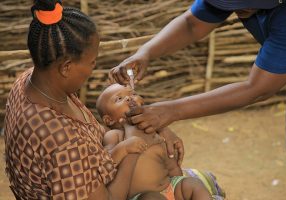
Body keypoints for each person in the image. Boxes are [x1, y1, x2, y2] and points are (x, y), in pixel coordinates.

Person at [109, 0, 286, 198]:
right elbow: (192, 24)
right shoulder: (113, 138)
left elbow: (257, 89)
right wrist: (146, 52)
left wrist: (171, 111)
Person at [4, 1, 183, 199]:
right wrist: (131, 153)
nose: (93, 69)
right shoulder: (61, 141)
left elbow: (90, 138)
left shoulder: (32, 83)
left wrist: (158, 128)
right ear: (66, 68)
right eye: (91, 62)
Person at [96, 83, 226, 200]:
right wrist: (123, 148)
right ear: (109, 120)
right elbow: (107, 161)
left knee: (193, 184)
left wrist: (179, 179)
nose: (129, 98)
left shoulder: (155, 131)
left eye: (133, 94)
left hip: (170, 187)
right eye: (119, 99)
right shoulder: (115, 135)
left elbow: (170, 164)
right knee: (151, 198)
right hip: (141, 196)